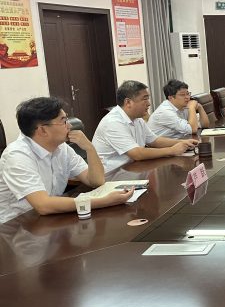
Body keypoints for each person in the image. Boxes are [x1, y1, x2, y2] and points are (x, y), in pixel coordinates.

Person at [0, 97, 133, 223]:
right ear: (42, 130)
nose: (69, 125)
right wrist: (104, 201)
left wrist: (90, 148)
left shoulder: (61, 148)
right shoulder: (17, 156)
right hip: (16, 227)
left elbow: (96, 180)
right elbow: (43, 205)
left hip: (50, 218)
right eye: (63, 121)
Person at [92, 80, 199, 173]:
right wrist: (171, 150)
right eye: (145, 99)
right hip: (112, 175)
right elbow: (137, 153)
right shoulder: (113, 122)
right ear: (128, 102)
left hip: (132, 169)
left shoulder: (137, 119)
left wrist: (183, 142)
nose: (148, 104)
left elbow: (154, 141)